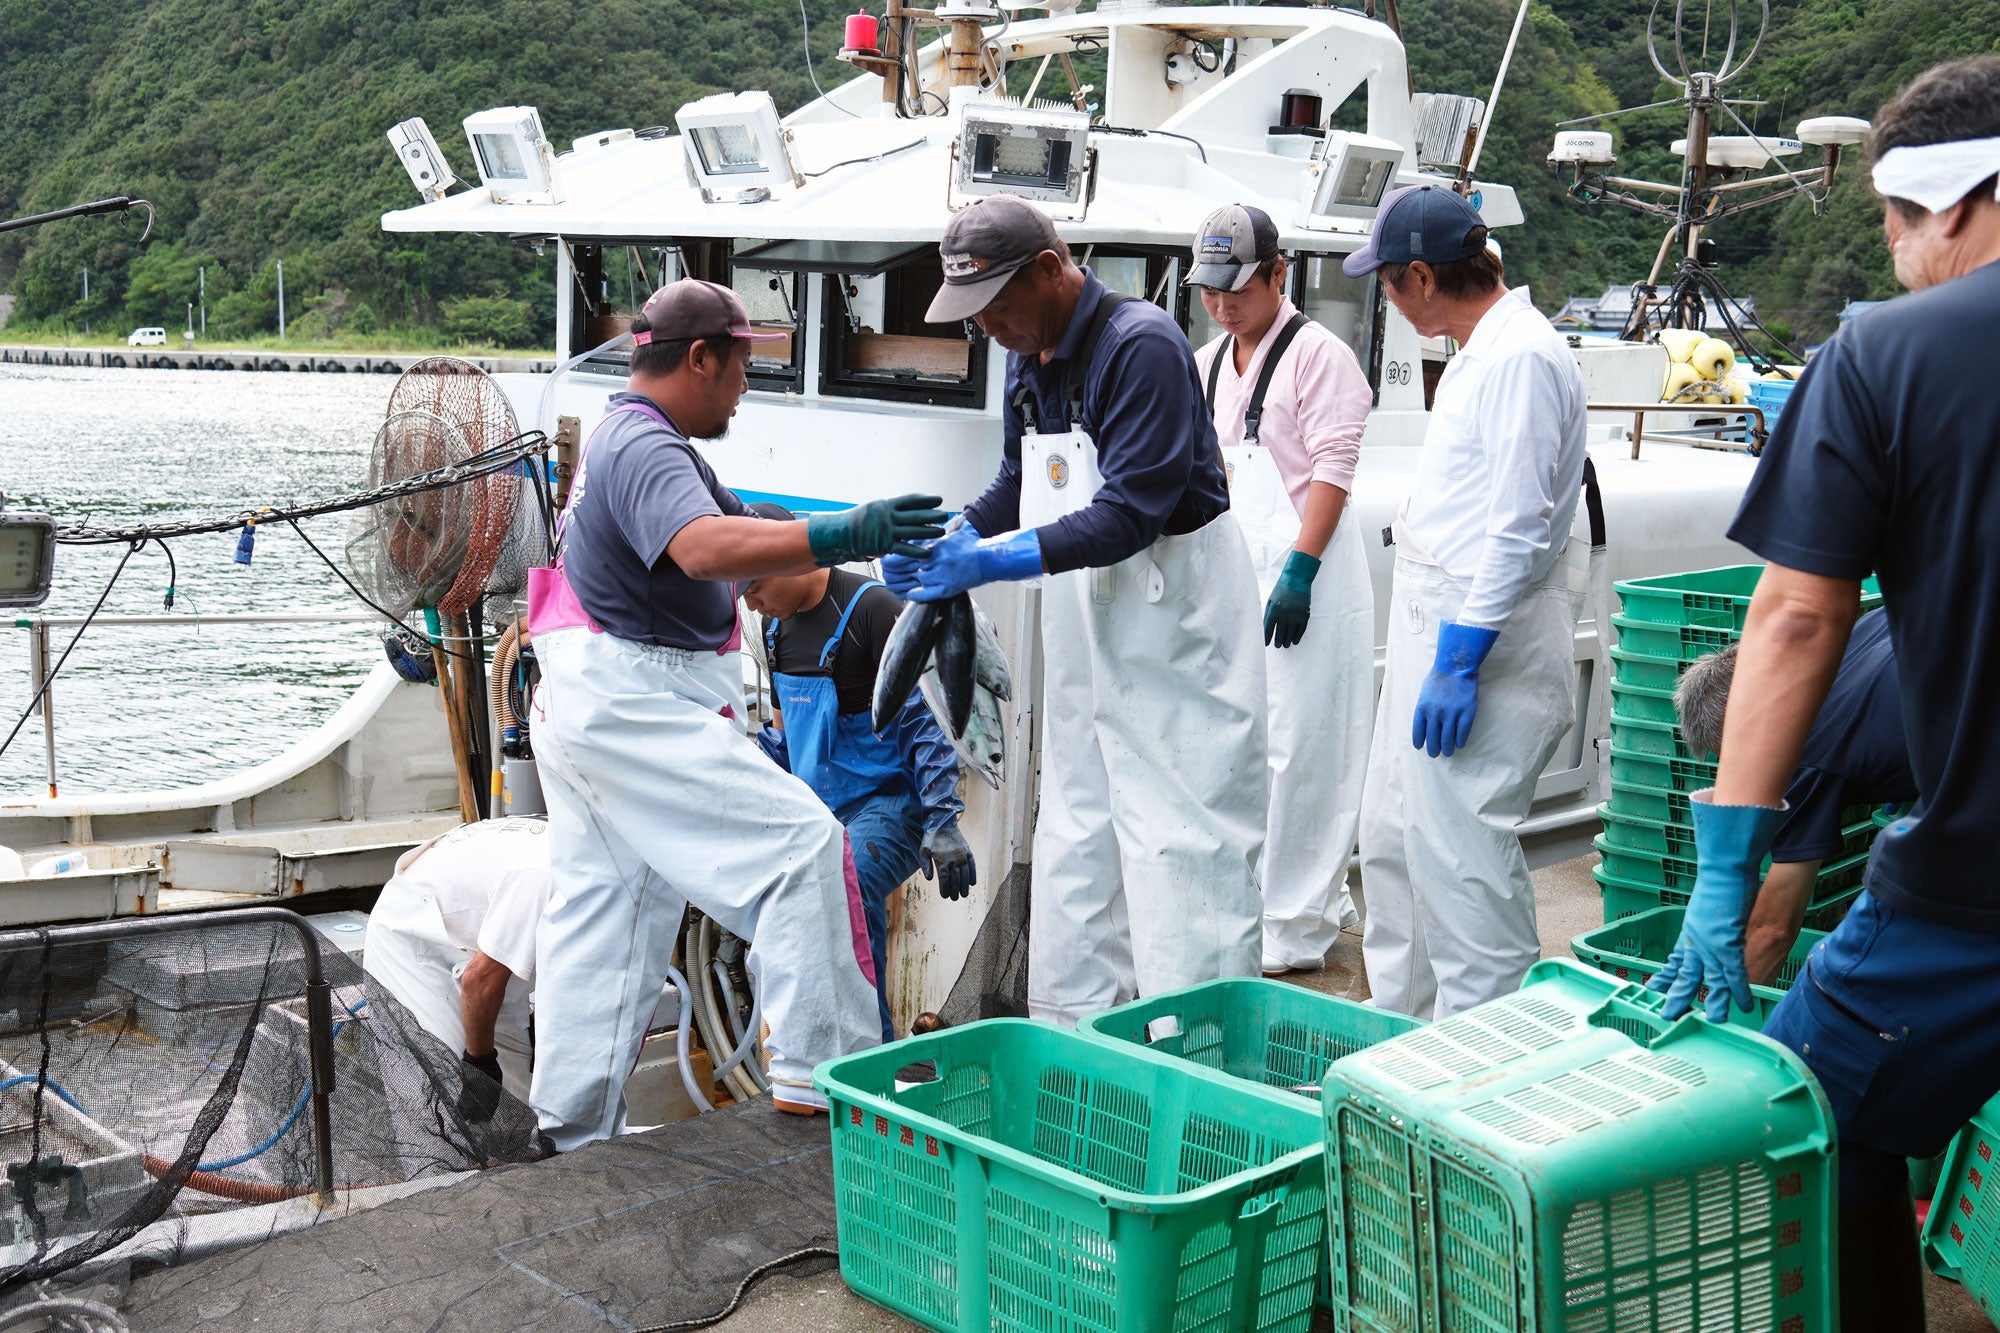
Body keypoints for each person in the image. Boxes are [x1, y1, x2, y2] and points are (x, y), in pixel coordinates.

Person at [1649, 58, 2000, 1331]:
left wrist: (1724, 871)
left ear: (1950, 202)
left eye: (1895, 223)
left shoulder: (1885, 354)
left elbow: (1799, 612)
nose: (1897, 256)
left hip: (1974, 889)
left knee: (1801, 1112)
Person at [528, 277, 947, 1146]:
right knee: (805, 849)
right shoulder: (645, 445)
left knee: (607, 920)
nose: (747, 385)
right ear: (699, 358)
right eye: (743, 365)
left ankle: (567, 1130)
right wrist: (846, 531)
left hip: (591, 700)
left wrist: (862, 550)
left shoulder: (634, 441)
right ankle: (823, 1082)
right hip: (634, 701)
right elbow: (702, 548)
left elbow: (741, 535)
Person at [883, 194, 1267, 1025]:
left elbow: (1131, 514)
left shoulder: (1141, 346)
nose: (986, 328)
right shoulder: (1028, 355)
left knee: (1180, 841)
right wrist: (959, 531)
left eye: (994, 306)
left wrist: (987, 560)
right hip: (1086, 621)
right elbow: (1019, 480)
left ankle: (1199, 1047)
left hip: (1174, 620)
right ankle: (1078, 1034)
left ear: (1050, 270)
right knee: (1075, 829)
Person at [1346, 185, 1589, 1021]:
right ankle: (1401, 1034)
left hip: (1478, 634)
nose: (1386, 296)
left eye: (1386, 281)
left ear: (1420, 277)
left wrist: (1459, 659)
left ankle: (1486, 1045)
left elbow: (1518, 527)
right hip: (1437, 616)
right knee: (1393, 837)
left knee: (1461, 857)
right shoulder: (1482, 349)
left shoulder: (1520, 358)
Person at [1185, 203, 1375, 977]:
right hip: (1237, 576)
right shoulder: (1204, 363)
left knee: (1304, 749)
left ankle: (1296, 925)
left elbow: (1334, 466)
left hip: (1309, 576)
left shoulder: (1320, 356)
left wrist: (1301, 568)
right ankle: (1262, 900)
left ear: (1277, 273)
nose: (1223, 304)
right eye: (1210, 290)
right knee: (1242, 747)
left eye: (1237, 288)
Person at [739, 532, 976, 1043]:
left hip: (894, 804)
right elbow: (783, 736)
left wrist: (942, 817)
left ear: (792, 561)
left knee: (849, 883)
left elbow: (927, 724)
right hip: (821, 808)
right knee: (795, 906)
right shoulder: (773, 629)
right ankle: (812, 1052)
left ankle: (870, 1055)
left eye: (755, 588)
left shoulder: (874, 610)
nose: (752, 604)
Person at [1672, 610, 1914, 982]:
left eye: (1735, 759)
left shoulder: (1797, 758)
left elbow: (1773, 931)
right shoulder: (1844, 638)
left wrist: (1719, 1013)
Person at [362, 817, 550, 1104]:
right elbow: (480, 980)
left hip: (479, 938)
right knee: (438, 1090)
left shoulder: (586, 869)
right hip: (415, 932)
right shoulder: (541, 879)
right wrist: (480, 1062)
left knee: (522, 1094)